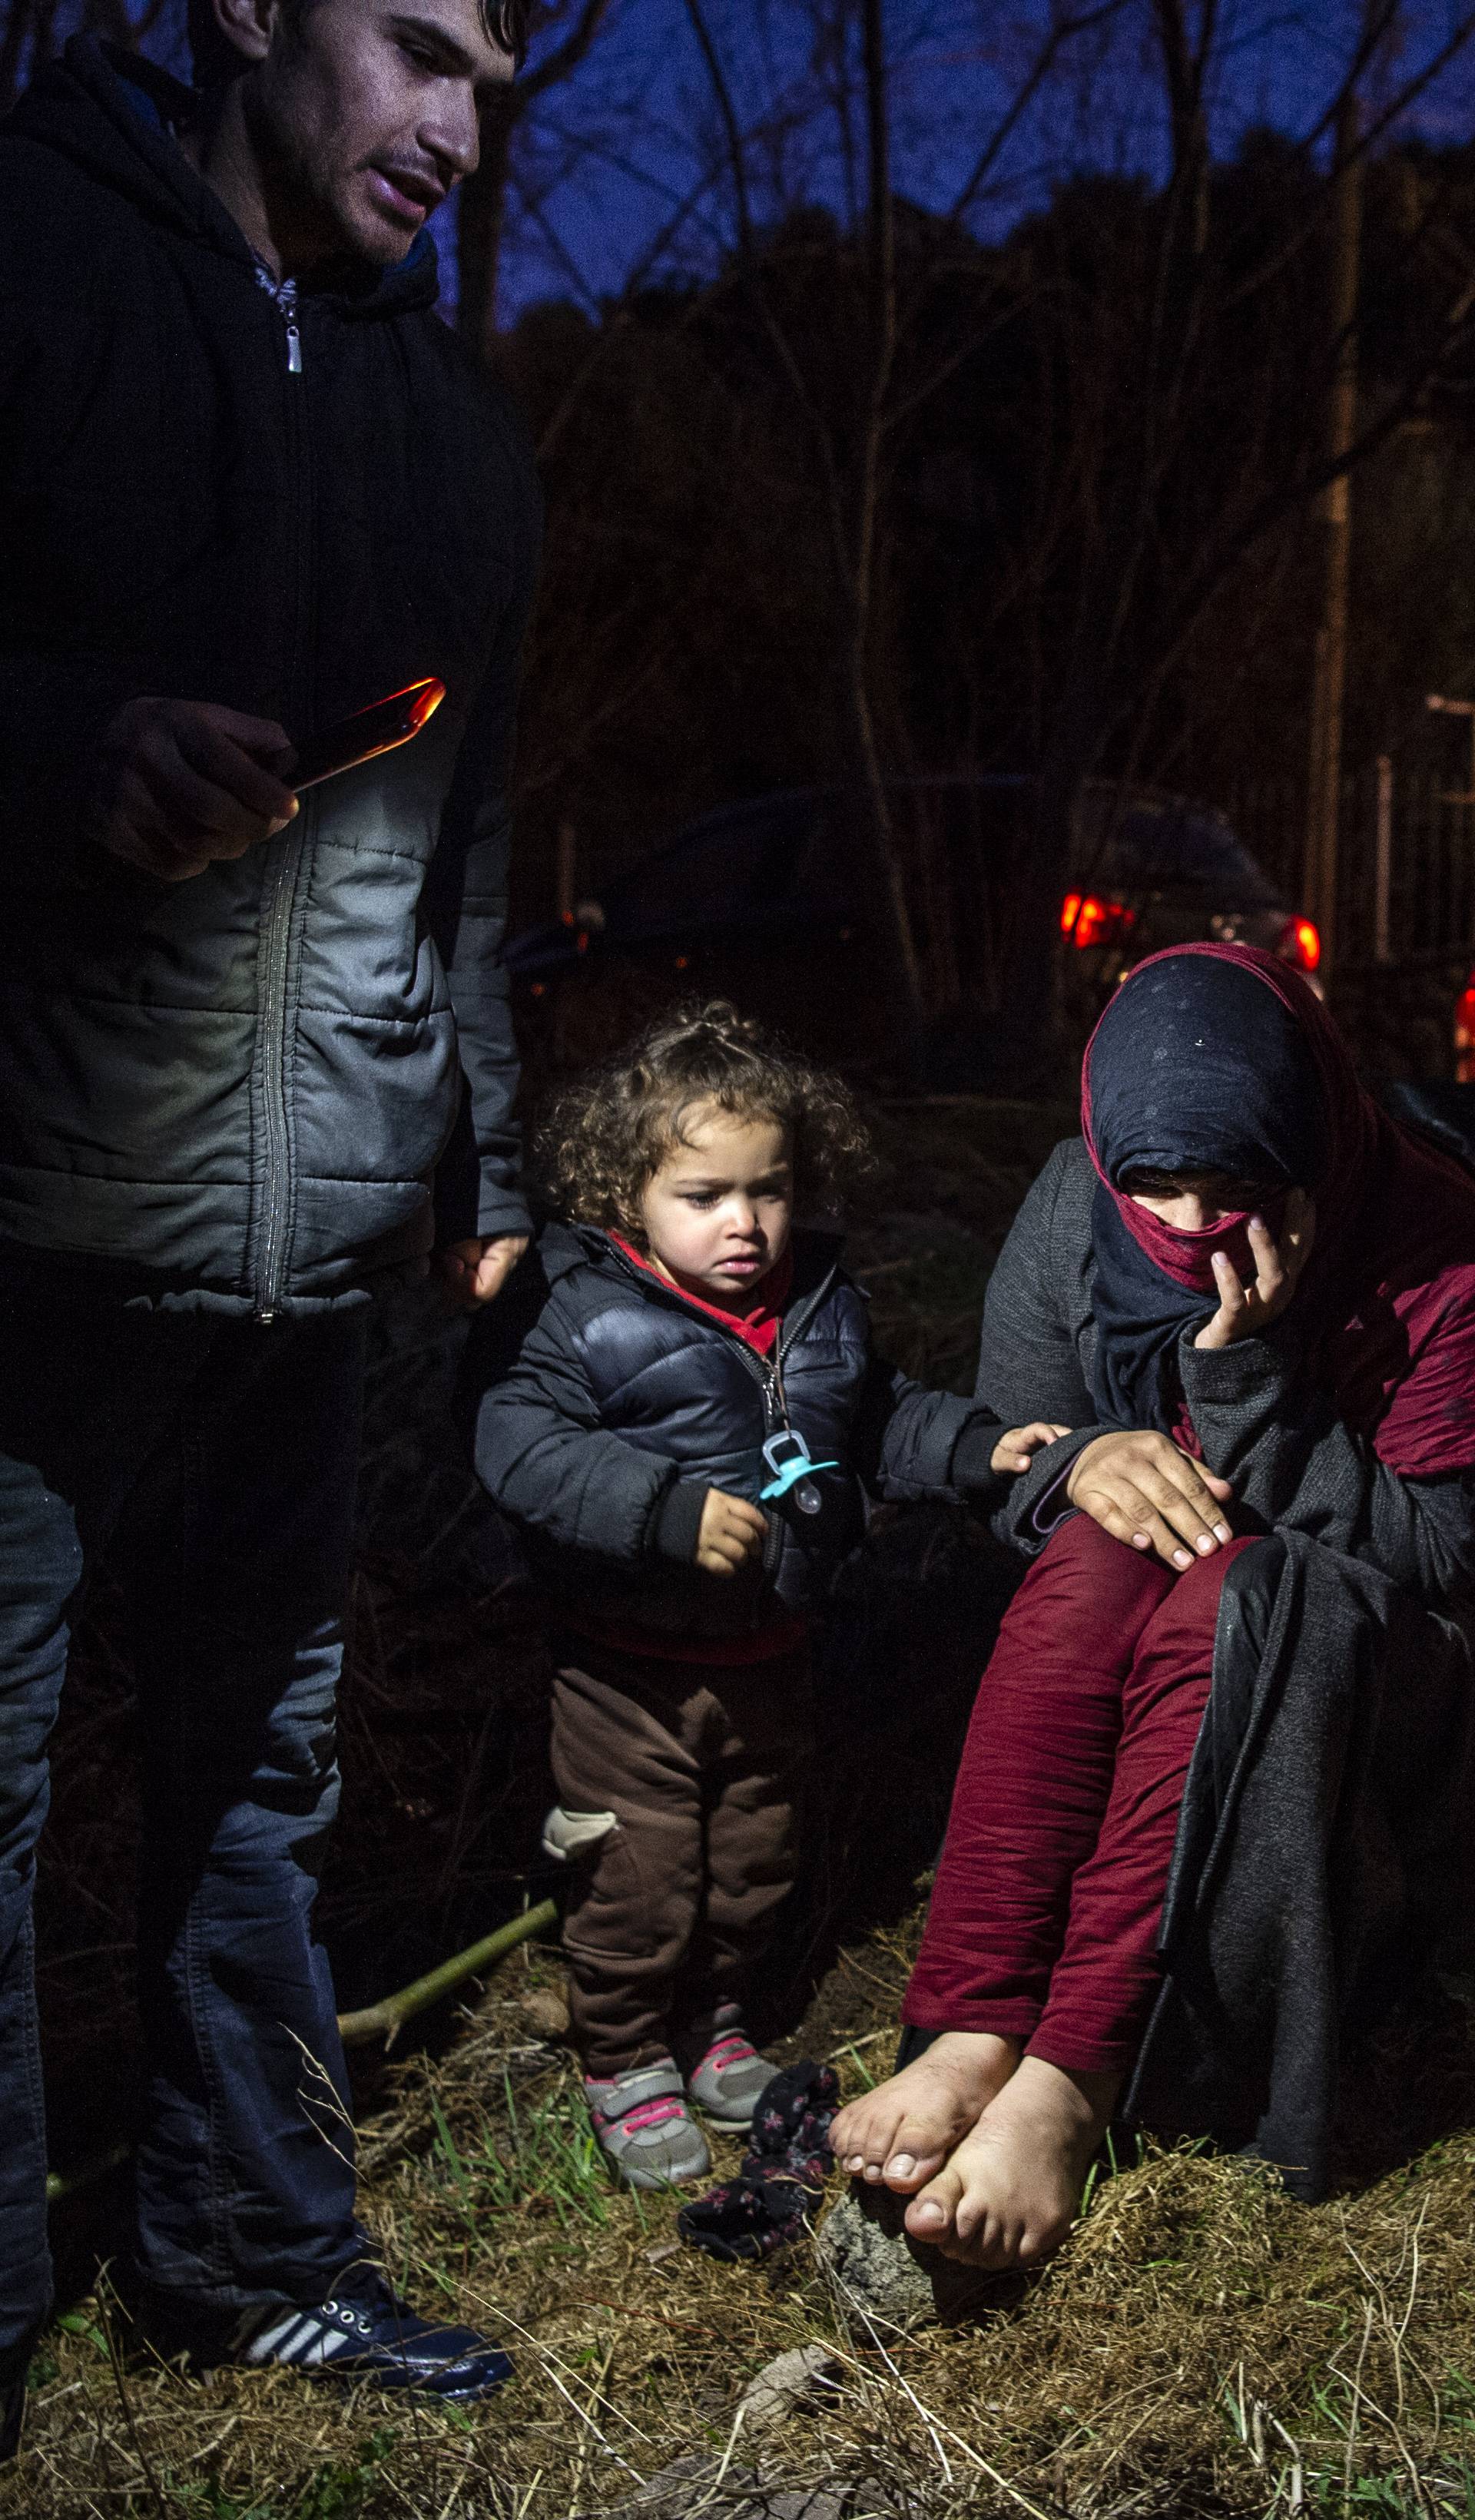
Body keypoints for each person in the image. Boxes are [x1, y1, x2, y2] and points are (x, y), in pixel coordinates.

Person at [0, 0, 540, 2447]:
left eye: (493, 84)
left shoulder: (456, 429)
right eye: (413, 46)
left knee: (263, 1771)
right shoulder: (33, 253)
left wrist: (482, 1154)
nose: (457, 123)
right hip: (24, 1216)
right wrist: (64, 749)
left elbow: (474, 846)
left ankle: (246, 2249)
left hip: (312, 1242)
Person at [831, 944, 1475, 2269]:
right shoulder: (1079, 1203)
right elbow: (1015, 1450)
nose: (1190, 1223)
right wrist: (1080, 1459)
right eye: (1159, 1187)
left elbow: (1441, 1555)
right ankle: (975, 2023)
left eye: (1234, 1185)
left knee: (1235, 1592)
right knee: (1090, 1559)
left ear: (1308, 1135)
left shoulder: (1436, 1250)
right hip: (1147, 1624)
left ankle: (1078, 2074)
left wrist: (1250, 1388)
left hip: (1380, 1681)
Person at [467, 1003, 1068, 2187]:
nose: (745, 1223)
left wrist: (975, 1449)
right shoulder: (572, 1309)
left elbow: (875, 1412)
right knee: (637, 1867)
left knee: (753, 1857)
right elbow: (519, 1446)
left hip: (773, 1653)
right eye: (705, 1196)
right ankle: (625, 2052)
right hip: (627, 1664)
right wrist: (662, 1510)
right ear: (625, 1192)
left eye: (771, 1189)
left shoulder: (817, 1301)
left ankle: (713, 2020)